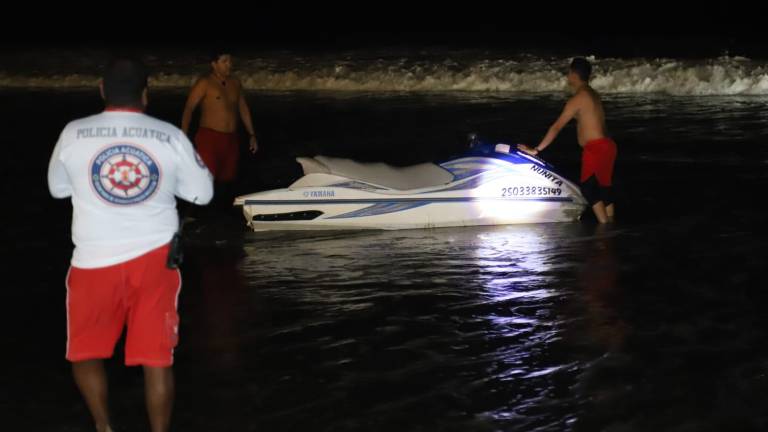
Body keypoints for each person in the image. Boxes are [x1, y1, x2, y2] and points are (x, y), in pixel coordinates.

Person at [48, 57, 213, 432]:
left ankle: (103, 427)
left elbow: (57, 188)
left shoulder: (73, 132)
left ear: (102, 90)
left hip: (91, 263)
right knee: (157, 359)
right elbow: (202, 195)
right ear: (146, 95)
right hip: (155, 261)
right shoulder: (169, 135)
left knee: (84, 351)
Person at [518, 57, 617, 223]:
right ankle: (611, 225)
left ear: (573, 75)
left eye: (568, 73)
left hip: (596, 148)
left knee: (588, 189)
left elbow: (557, 127)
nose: (567, 76)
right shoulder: (593, 94)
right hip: (608, 146)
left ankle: (604, 228)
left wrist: (537, 149)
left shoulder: (578, 98)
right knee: (604, 190)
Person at [181, 50, 258, 207]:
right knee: (206, 177)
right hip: (209, 137)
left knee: (228, 179)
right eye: (224, 61)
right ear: (214, 64)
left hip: (230, 138)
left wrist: (252, 134)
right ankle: (193, 213)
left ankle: (220, 213)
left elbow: (243, 108)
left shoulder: (235, 83)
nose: (229, 64)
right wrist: (183, 134)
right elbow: (189, 108)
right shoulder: (205, 83)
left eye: (230, 60)